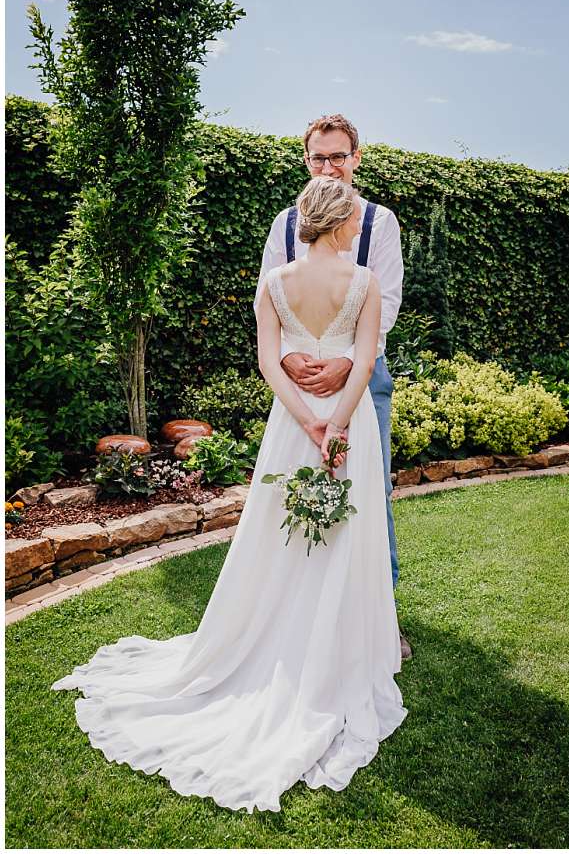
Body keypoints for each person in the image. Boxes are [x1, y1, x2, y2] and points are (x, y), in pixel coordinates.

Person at [53, 177, 407, 813]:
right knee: (344, 532)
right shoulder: (364, 284)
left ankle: (283, 642)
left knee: (279, 533)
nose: (359, 228)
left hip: (292, 422)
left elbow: (271, 363)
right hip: (344, 423)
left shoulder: (273, 284)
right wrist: (336, 427)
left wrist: (305, 422)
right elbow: (366, 351)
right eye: (352, 221)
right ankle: (333, 654)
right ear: (335, 225)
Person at [254, 113, 412, 661]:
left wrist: (350, 359)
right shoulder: (284, 224)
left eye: (338, 156)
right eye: (319, 157)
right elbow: (271, 299)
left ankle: (380, 617)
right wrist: (292, 355)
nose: (329, 166)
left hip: (364, 377)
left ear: (356, 158)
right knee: (291, 487)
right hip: (297, 381)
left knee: (370, 489)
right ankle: (291, 613)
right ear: (306, 161)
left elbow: (386, 302)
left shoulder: (380, 223)